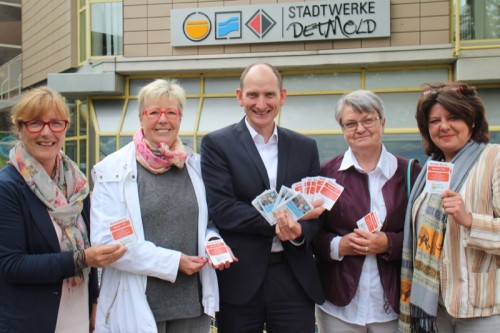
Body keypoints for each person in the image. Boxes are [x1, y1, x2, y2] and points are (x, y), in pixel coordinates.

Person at [90, 79, 232, 333]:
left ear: (180, 117)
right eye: (154, 112)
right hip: (136, 303)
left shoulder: (195, 166)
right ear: (141, 117)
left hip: (192, 304)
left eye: (171, 112)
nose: (163, 119)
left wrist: (213, 242)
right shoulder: (112, 170)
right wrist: (174, 261)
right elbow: (109, 242)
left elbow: (208, 222)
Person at [201, 62, 325, 333]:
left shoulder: (305, 147)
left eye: (269, 94)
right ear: (239, 96)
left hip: (293, 278)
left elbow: (316, 212)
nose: (261, 103)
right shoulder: (217, 144)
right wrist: (284, 219)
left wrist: (298, 231)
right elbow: (223, 209)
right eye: (253, 95)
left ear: (282, 96)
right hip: (240, 279)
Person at [0, 87, 126, 333]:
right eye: (35, 123)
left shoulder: (77, 184)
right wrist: (80, 259)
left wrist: (94, 301)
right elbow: (11, 265)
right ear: (19, 128)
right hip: (32, 321)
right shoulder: (8, 187)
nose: (47, 133)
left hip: (77, 314)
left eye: (55, 123)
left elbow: (86, 244)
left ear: (66, 128)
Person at [313, 90, 421, 333]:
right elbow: (312, 233)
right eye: (350, 123)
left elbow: (424, 233)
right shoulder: (326, 174)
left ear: (383, 123)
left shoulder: (411, 173)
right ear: (342, 130)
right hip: (338, 304)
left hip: (393, 303)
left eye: (368, 120)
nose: (360, 129)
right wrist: (338, 246)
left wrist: (389, 243)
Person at [399, 82, 500, 333]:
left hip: (481, 307)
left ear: (472, 121)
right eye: (434, 121)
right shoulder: (429, 171)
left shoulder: (494, 159)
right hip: (436, 307)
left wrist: (469, 219)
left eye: (453, 117)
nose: (443, 126)